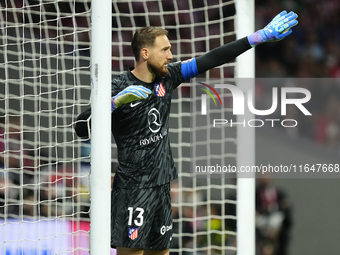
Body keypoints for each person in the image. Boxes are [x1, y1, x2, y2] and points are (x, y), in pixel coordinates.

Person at [74, 10, 298, 255]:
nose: (171, 55)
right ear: (145, 53)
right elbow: (81, 128)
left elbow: (211, 59)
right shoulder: (117, 86)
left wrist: (257, 38)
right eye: (165, 50)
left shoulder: (169, 77)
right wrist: (113, 103)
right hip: (132, 191)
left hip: (161, 187)